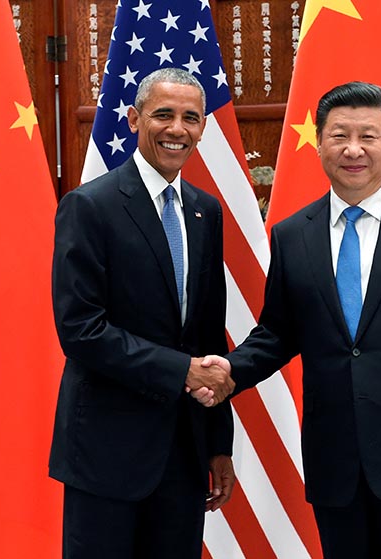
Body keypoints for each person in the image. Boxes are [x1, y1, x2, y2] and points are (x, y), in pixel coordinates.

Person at [197, 81, 381, 558]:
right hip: (336, 456)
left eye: (368, 136)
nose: (353, 149)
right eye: (339, 135)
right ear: (319, 143)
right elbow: (278, 331)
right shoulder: (294, 234)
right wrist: (231, 371)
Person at [49, 67, 236, 558]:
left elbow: (207, 333)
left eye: (191, 118)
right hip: (107, 450)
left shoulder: (205, 210)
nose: (178, 129)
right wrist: (182, 371)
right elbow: (80, 330)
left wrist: (219, 443)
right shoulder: (89, 206)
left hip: (184, 450)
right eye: (163, 115)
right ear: (133, 119)